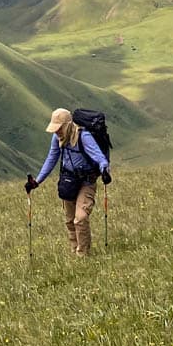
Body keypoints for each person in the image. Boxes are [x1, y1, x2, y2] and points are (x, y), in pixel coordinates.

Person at [25, 107, 112, 256]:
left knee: (81, 218)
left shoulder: (83, 136)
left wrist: (104, 170)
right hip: (69, 181)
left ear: (67, 125)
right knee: (70, 221)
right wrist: (37, 181)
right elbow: (51, 159)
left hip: (87, 181)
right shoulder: (57, 138)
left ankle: (82, 255)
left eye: (59, 129)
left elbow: (99, 156)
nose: (56, 132)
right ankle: (74, 251)